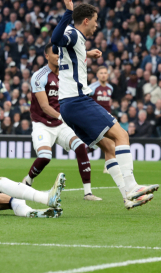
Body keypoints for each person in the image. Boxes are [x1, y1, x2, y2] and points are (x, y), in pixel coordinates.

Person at [51, 0, 158, 210]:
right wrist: (68, 12)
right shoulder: (72, 32)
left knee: (109, 146)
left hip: (68, 105)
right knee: (122, 135)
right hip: (77, 101)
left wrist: (85, 54)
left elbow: (58, 50)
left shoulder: (75, 40)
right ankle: (133, 186)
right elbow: (55, 40)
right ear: (87, 20)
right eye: (96, 21)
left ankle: (127, 197)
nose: (97, 26)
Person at [22, 43, 102, 201]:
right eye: (55, 53)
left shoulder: (66, 73)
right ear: (46, 56)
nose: (59, 56)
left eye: (60, 53)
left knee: (80, 147)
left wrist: (89, 54)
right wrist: (62, 117)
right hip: (42, 124)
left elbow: (75, 56)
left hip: (61, 124)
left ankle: (88, 193)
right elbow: (44, 106)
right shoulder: (39, 76)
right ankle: (28, 180)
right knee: (45, 157)